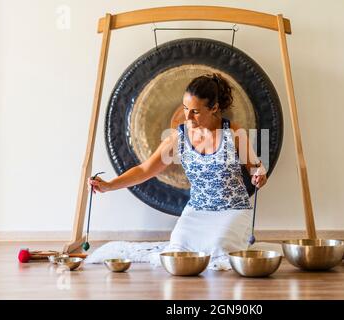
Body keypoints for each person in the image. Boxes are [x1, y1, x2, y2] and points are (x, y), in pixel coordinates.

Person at [88, 73, 268, 268]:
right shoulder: (179, 137)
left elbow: (256, 169)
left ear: (214, 108)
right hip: (196, 212)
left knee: (218, 251)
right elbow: (145, 169)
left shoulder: (234, 134)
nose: (187, 116)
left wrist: (259, 175)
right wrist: (108, 186)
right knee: (177, 252)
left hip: (232, 211)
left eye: (195, 111)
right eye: (185, 109)